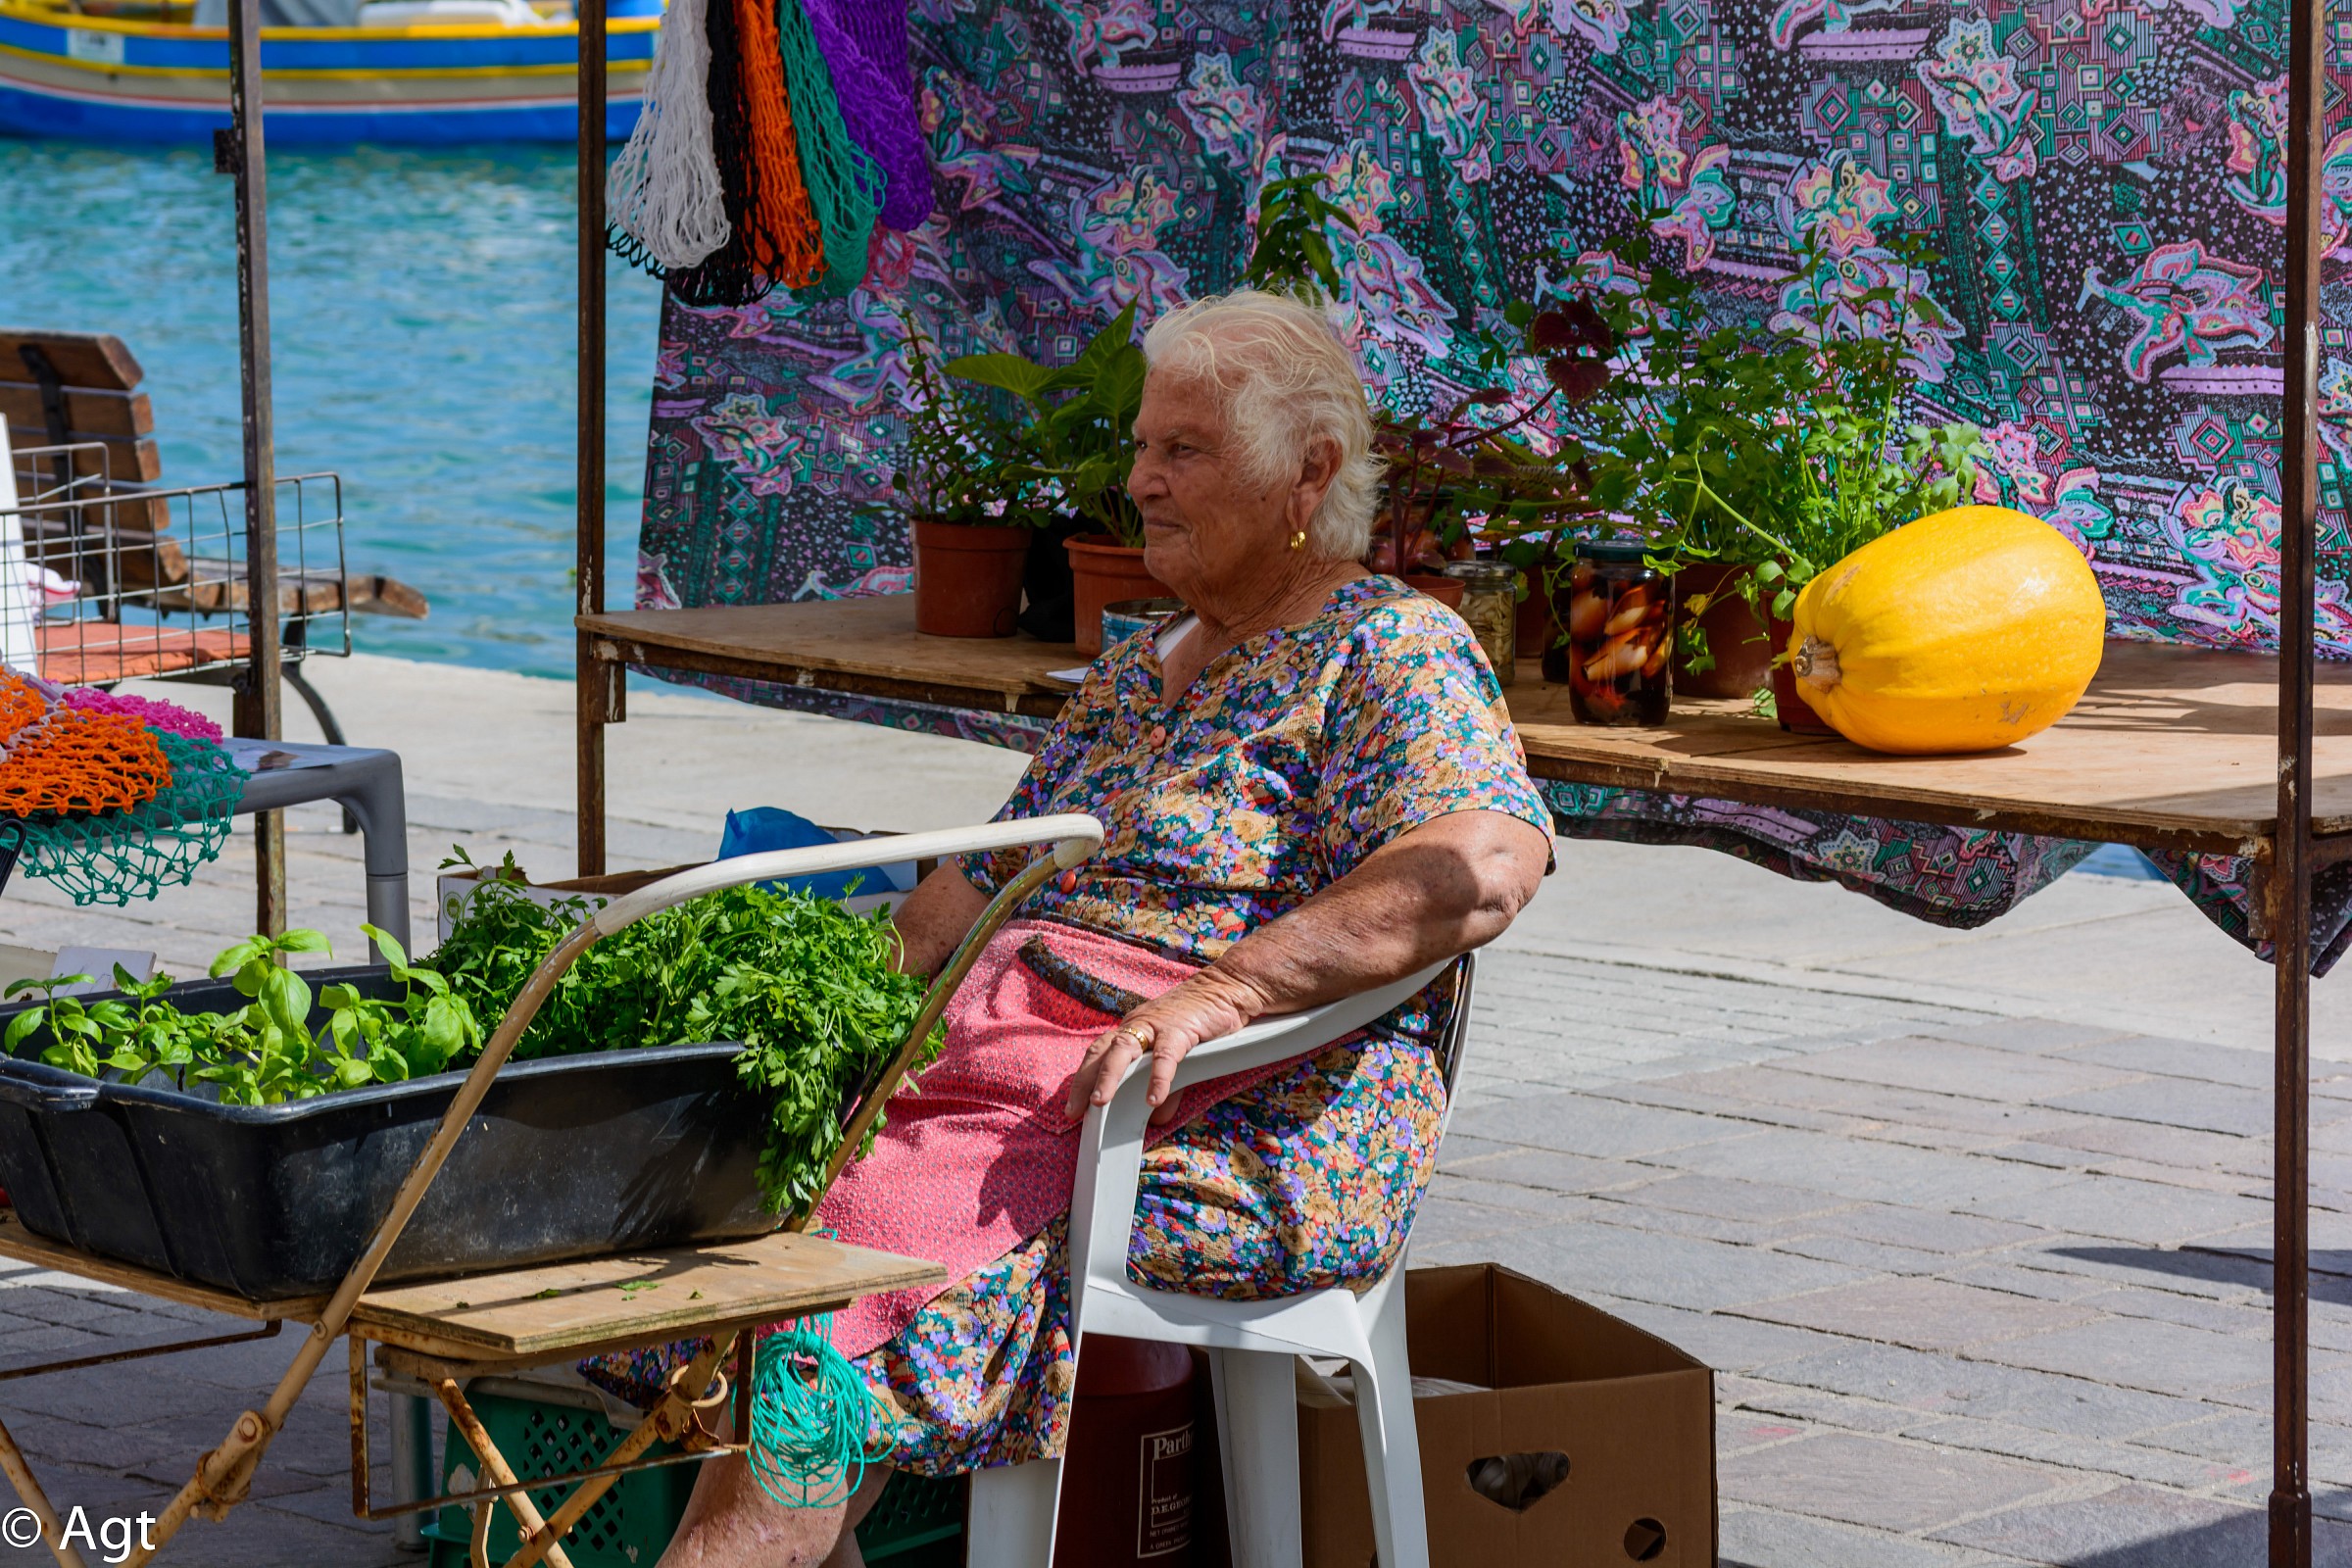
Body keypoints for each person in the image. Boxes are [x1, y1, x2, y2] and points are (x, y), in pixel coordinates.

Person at [637, 288, 1553, 1567]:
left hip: (1230, 1115)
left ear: (1311, 472)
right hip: (1009, 1077)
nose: (1139, 482)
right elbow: (969, 892)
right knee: (724, 1174)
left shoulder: (1390, 649)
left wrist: (1221, 994)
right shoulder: (1140, 673)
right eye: (1139, 448)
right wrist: (783, 998)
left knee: (834, 1274)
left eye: (1183, 450)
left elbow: (1483, 864)